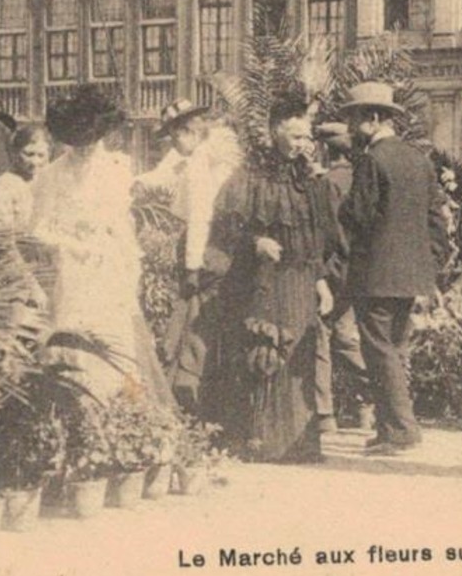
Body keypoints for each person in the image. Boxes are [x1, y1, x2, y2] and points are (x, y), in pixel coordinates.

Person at [206, 101, 344, 464]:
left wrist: (322, 282)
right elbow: (224, 225)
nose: (302, 143)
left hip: (300, 280)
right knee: (265, 351)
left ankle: (298, 444)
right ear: (274, 131)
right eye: (295, 135)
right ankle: (258, 440)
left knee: (300, 358)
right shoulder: (250, 175)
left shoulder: (310, 180)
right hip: (262, 280)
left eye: (306, 136)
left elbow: (321, 238)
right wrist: (256, 243)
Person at [30, 85, 172, 405]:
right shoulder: (51, 177)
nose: (84, 152)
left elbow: (123, 227)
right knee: (73, 342)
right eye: (77, 146)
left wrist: (130, 273)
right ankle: (78, 411)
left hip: (107, 271)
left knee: (116, 341)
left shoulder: (116, 170)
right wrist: (69, 241)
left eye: (90, 144)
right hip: (70, 272)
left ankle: (118, 417)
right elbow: (37, 229)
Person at [338, 83, 448, 455]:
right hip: (411, 275)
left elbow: (358, 216)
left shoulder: (373, 160)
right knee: (395, 350)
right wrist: (429, 266)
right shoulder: (419, 159)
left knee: (379, 351)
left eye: (354, 119)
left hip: (376, 274)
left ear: (372, 118)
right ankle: (390, 429)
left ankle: (400, 430)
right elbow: (437, 219)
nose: (350, 127)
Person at [135, 99, 244, 412]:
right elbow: (164, 172)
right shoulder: (215, 153)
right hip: (227, 248)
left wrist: (192, 265)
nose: (173, 143)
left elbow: (199, 216)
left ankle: (188, 395)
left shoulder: (199, 163)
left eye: (174, 136)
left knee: (193, 324)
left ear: (188, 131)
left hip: (206, 249)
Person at [311, 121, 372, 430]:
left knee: (321, 335)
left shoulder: (327, 184)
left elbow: (328, 233)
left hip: (333, 267)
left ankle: (324, 414)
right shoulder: (362, 178)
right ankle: (369, 402)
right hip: (359, 268)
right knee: (348, 337)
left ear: (324, 149)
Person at [0, 124, 51, 232]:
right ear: (15, 153)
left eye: (41, 155)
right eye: (29, 154)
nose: (35, 162)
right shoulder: (4, 187)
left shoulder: (49, 181)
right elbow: (3, 232)